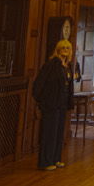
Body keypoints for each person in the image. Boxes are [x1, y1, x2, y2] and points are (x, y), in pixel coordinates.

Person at [31, 38, 74, 171]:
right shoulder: (51, 65)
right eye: (63, 48)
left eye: (67, 48)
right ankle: (45, 161)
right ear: (58, 50)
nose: (65, 50)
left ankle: (56, 159)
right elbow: (38, 84)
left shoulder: (67, 66)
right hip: (51, 104)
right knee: (49, 133)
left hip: (62, 104)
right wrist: (43, 101)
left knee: (59, 132)